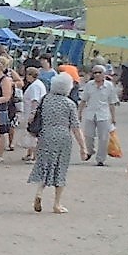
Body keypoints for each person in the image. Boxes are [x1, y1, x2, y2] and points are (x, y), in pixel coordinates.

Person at [28, 73, 84, 214]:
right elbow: (76, 127)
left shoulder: (45, 99)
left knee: (45, 165)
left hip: (45, 135)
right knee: (60, 169)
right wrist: (83, 147)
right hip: (63, 137)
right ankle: (57, 204)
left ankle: (39, 192)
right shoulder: (69, 104)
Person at [77, 64, 120, 166]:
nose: (97, 75)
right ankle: (90, 151)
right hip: (90, 114)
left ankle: (100, 159)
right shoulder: (89, 85)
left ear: (104, 74)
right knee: (88, 136)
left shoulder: (109, 86)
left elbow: (112, 102)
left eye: (99, 72)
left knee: (104, 138)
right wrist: (79, 113)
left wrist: (113, 118)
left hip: (103, 115)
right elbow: (83, 100)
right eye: (95, 73)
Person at [19, 65, 46, 162]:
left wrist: (32, 114)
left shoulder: (35, 86)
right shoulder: (37, 84)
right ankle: (29, 153)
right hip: (34, 112)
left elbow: (35, 101)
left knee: (33, 133)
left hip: (33, 113)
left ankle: (35, 155)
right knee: (31, 133)